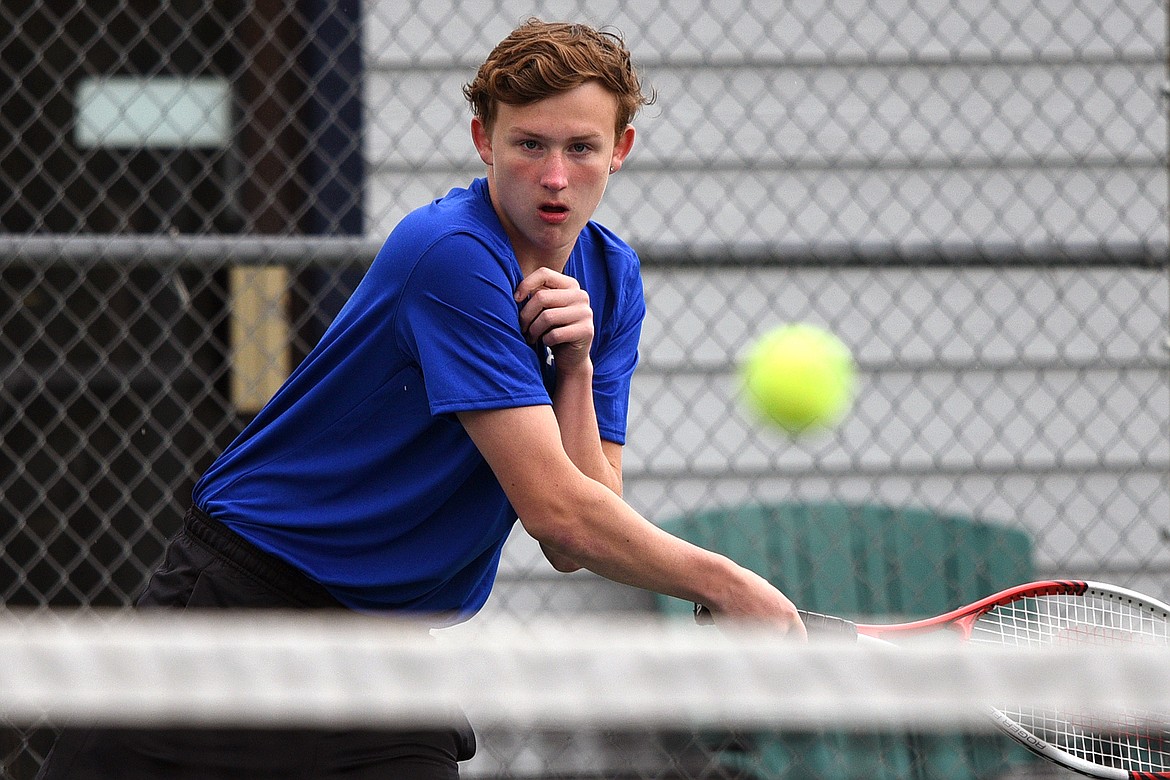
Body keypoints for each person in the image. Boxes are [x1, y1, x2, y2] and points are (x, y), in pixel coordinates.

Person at [36, 18, 804, 780]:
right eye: (529, 144)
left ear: (621, 151)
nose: (556, 176)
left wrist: (573, 367)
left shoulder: (611, 277)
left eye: (581, 148)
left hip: (385, 658)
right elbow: (558, 511)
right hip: (243, 612)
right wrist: (729, 583)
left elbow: (574, 540)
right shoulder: (453, 256)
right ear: (483, 141)